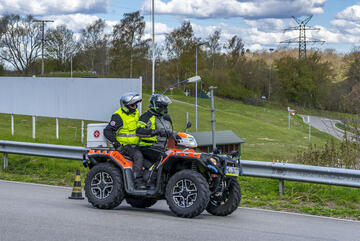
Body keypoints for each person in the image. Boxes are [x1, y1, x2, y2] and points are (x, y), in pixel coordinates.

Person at [103, 92, 145, 187]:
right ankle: (137, 180)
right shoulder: (118, 116)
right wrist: (117, 145)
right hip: (125, 146)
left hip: (136, 144)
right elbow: (107, 131)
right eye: (132, 105)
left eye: (136, 104)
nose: (135, 107)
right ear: (125, 105)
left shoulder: (135, 113)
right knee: (138, 156)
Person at [136, 94, 176, 164]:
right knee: (166, 160)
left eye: (166, 106)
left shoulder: (165, 118)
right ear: (156, 105)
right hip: (148, 147)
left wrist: (177, 135)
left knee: (175, 157)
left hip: (161, 148)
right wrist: (156, 131)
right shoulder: (146, 116)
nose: (165, 109)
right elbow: (139, 131)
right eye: (163, 106)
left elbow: (168, 132)